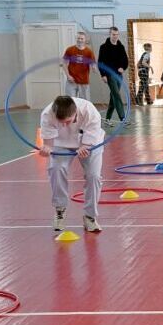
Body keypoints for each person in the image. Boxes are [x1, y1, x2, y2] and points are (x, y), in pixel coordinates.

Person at [39, 95, 105, 233]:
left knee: (93, 176)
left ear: (75, 113)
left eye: (68, 121)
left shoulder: (89, 110)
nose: (64, 125)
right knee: (56, 169)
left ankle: (90, 216)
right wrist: (46, 149)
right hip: (61, 143)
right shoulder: (47, 114)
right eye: (61, 122)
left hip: (91, 143)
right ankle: (60, 210)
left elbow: (90, 138)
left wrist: (85, 145)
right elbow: (48, 144)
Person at [97, 26, 129, 125]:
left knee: (113, 96)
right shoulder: (103, 47)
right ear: (110, 34)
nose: (115, 36)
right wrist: (103, 75)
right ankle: (122, 118)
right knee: (116, 94)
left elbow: (125, 60)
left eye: (117, 34)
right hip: (109, 75)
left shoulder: (121, 47)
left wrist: (123, 67)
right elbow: (100, 62)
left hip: (119, 75)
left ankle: (107, 119)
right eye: (113, 34)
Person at [62, 31, 98, 101]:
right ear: (76, 38)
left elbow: (93, 64)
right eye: (78, 38)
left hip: (84, 81)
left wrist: (94, 68)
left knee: (85, 102)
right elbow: (64, 63)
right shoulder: (69, 50)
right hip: (71, 80)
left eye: (82, 39)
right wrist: (68, 76)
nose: (80, 40)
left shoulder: (89, 52)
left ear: (85, 40)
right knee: (70, 101)